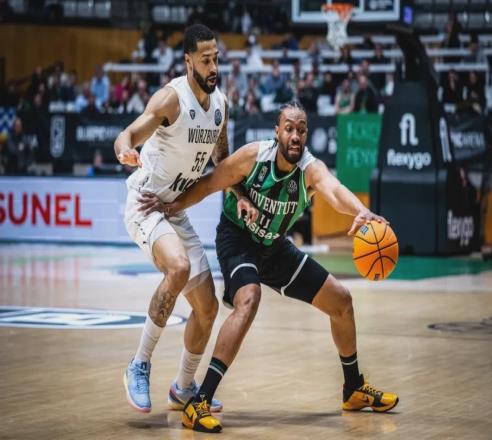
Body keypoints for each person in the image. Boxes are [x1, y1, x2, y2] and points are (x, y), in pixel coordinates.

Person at [156, 102, 399, 433]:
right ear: (277, 132)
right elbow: (210, 183)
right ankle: (199, 401)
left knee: (341, 301)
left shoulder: (310, 169)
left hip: (274, 246)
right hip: (237, 240)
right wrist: (171, 206)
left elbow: (334, 190)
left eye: (301, 130)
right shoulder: (254, 156)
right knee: (249, 298)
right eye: (289, 128)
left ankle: (354, 389)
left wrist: (362, 212)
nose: (295, 135)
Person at [114, 24, 255, 416]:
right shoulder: (171, 99)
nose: (214, 67)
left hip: (174, 210)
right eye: (205, 60)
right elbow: (128, 134)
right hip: (146, 204)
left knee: (208, 308)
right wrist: (125, 150)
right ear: (188, 61)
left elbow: (222, 165)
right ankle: (139, 363)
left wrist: (241, 196)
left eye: (216, 59)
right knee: (177, 268)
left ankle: (184, 386)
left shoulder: (221, 106)